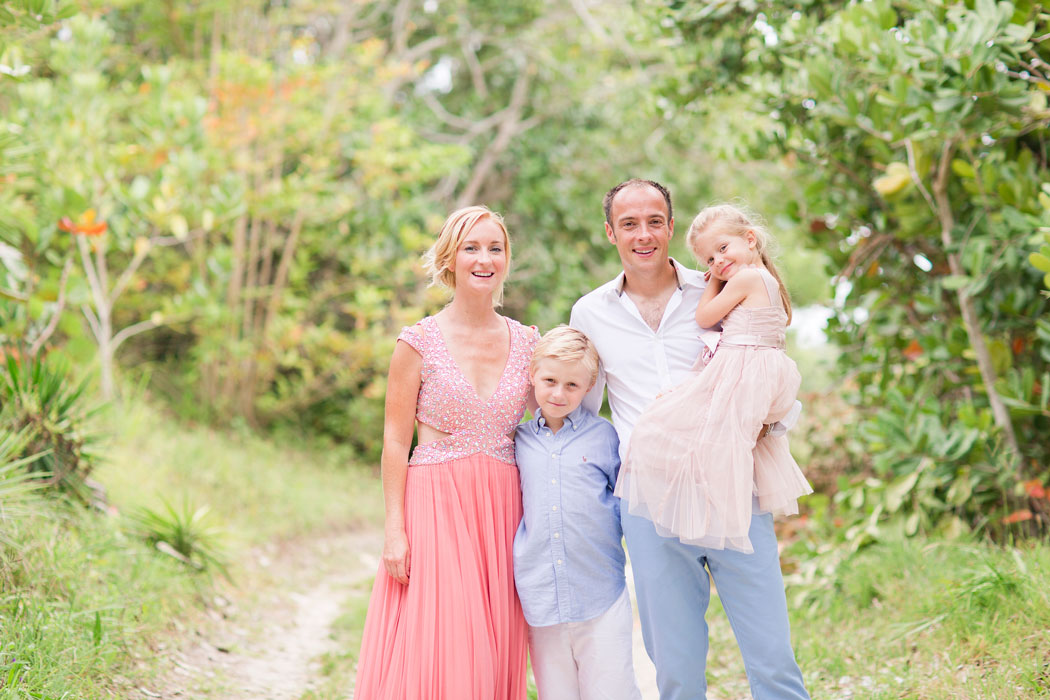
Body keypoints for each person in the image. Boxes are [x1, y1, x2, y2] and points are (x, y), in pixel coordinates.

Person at [570, 179, 810, 700]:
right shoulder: (590, 313)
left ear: (671, 227)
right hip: (649, 500)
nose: (644, 234)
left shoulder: (721, 288)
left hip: (733, 486)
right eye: (629, 224)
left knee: (772, 659)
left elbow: (770, 357)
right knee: (676, 671)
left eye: (655, 221)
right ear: (611, 233)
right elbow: (586, 418)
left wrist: (770, 420)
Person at [354, 205, 537, 699]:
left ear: (506, 260)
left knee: (494, 646)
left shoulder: (528, 342)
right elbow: (395, 439)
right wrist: (395, 530)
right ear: (450, 259)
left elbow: (552, 423)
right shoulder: (417, 343)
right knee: (444, 642)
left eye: (495, 248)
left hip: (502, 508)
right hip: (436, 505)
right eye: (471, 248)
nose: (484, 259)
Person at [619, 203, 812, 554]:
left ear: (750, 239)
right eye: (708, 261)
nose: (717, 263)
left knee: (658, 426)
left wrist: (711, 284)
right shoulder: (761, 278)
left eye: (722, 249)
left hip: (741, 365)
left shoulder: (747, 278)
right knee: (714, 436)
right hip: (756, 364)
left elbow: (705, 317)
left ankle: (689, 515)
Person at [512, 325, 643, 700]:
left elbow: (628, 504)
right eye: (550, 380)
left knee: (613, 690)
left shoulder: (606, 438)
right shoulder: (517, 442)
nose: (558, 393)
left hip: (599, 591)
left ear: (588, 387)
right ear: (532, 376)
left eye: (572, 385)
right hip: (540, 595)